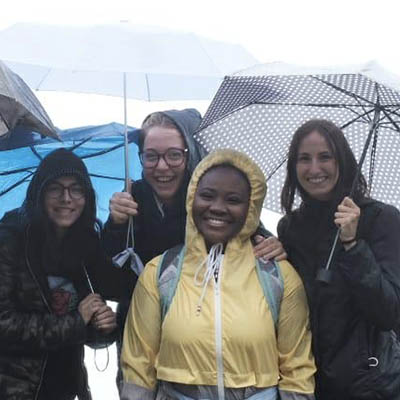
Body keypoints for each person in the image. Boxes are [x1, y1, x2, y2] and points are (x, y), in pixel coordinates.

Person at [101, 108, 287, 391]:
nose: (162, 167)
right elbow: (110, 285)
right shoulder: (128, 204)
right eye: (151, 156)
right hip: (141, 346)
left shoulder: (211, 197)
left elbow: (246, 229)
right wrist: (115, 227)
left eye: (174, 155)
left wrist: (270, 242)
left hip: (204, 348)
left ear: (190, 153)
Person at [120, 149, 316, 400]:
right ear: (192, 199)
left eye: (233, 200)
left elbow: (297, 366)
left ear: (251, 208)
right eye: (207, 196)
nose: (218, 207)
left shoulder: (278, 276)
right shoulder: (159, 273)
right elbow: (138, 364)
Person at [278, 119, 400, 400]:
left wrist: (353, 245)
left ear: (342, 161)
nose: (314, 169)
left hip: (370, 386)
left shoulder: (381, 219)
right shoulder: (290, 228)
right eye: (304, 159)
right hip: (307, 384)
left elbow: (389, 313)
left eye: (325, 157)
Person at [0, 148, 122, 400]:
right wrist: (77, 321)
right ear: (39, 194)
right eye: (55, 188)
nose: (66, 198)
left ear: (86, 196)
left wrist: (102, 328)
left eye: (76, 188)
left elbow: (89, 323)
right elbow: (4, 324)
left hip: (66, 388)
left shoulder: (85, 245)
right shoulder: (10, 240)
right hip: (16, 391)